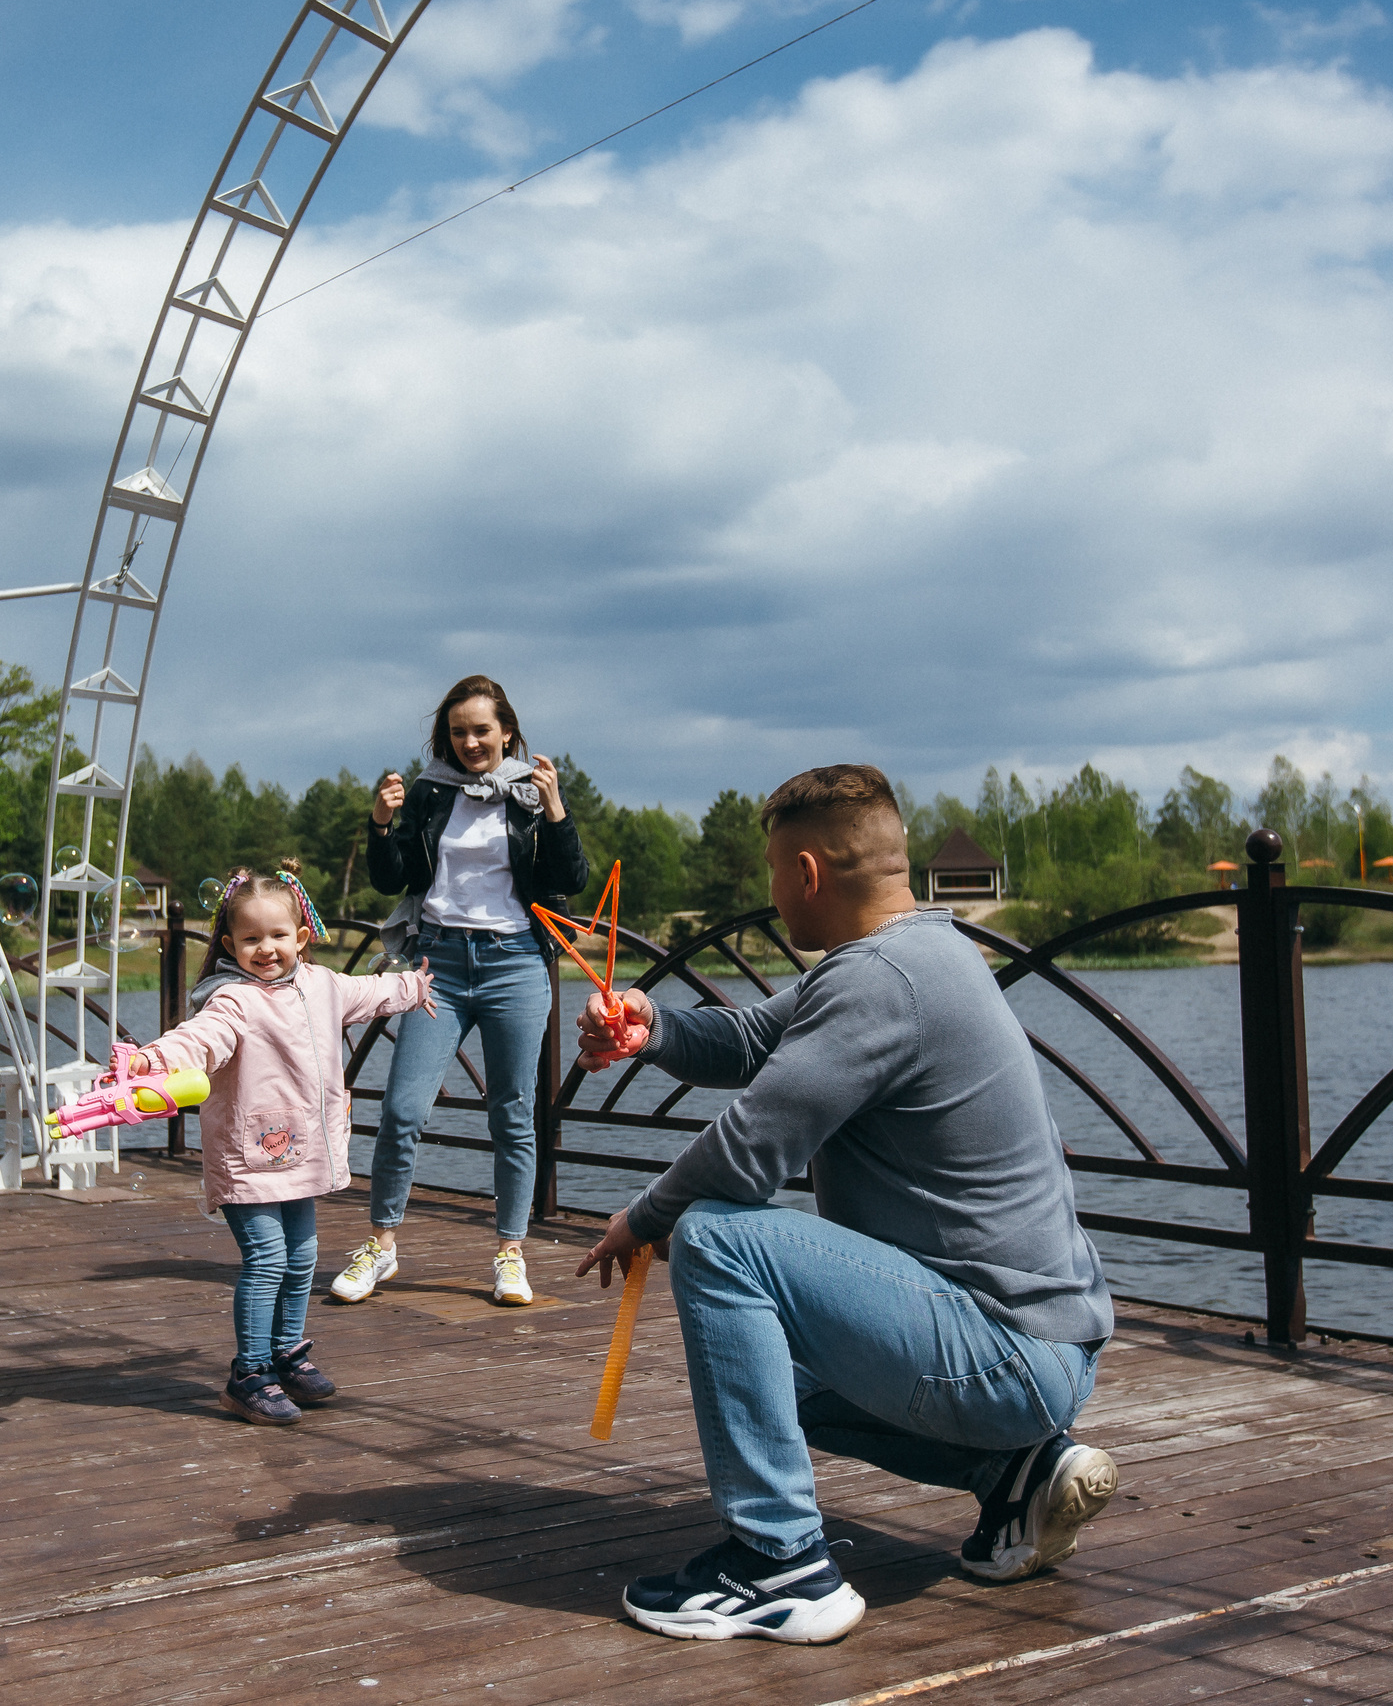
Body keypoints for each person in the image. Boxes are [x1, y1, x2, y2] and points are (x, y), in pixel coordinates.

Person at [572, 764, 1117, 1644]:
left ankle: (779, 1563)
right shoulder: (921, 952)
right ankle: (1015, 1474)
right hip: (1042, 1346)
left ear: (808, 872)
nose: (773, 891)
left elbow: (749, 1151)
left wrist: (640, 1220)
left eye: (774, 871)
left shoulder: (879, 981)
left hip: (1005, 1352)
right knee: (765, 1374)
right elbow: (749, 1039)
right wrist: (653, 1026)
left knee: (714, 1236)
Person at [125, 861, 434, 1425]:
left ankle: (286, 1353)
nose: (266, 949)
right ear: (229, 945)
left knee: (303, 1256)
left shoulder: (322, 985)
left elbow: (371, 990)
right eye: (250, 939)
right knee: (267, 1259)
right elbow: (198, 1039)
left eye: (278, 935)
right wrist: (153, 1058)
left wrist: (414, 986)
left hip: (299, 1151)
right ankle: (249, 1374)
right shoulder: (232, 1001)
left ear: (302, 936)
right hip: (247, 1156)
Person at [328, 674, 591, 1309]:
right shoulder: (430, 791)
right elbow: (394, 878)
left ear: (507, 732)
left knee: (512, 1114)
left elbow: (573, 877)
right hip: (438, 964)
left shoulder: (530, 792)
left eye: (481, 730)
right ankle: (381, 1244)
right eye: (458, 732)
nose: (470, 742)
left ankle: (510, 1252)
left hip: (515, 963)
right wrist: (381, 823)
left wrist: (556, 809)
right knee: (402, 1110)